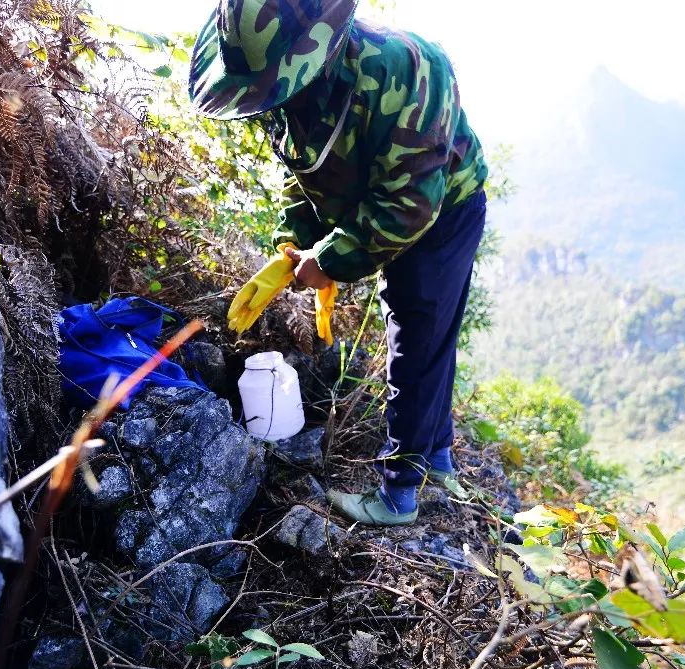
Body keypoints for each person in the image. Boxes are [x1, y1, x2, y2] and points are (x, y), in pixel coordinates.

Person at [189, 0, 488, 526]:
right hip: (386, 205)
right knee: (429, 332)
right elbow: (302, 171)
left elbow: (410, 206)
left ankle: (400, 494)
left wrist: (328, 260)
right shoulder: (290, 93)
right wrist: (292, 245)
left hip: (443, 212)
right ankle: (436, 454)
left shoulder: (407, 71)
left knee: (417, 334)